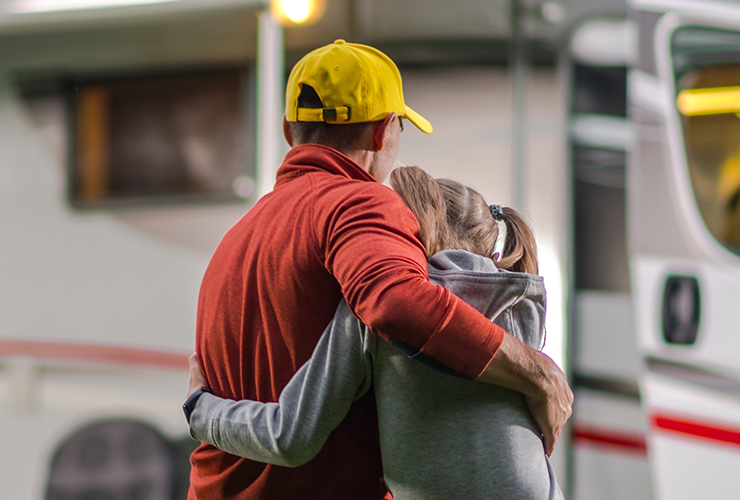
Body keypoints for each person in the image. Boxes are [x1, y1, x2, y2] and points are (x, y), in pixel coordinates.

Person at [185, 39, 570, 500]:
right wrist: (536, 372)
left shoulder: (236, 238)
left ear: (290, 131)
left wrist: (200, 410)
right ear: (383, 132)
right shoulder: (357, 202)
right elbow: (397, 301)